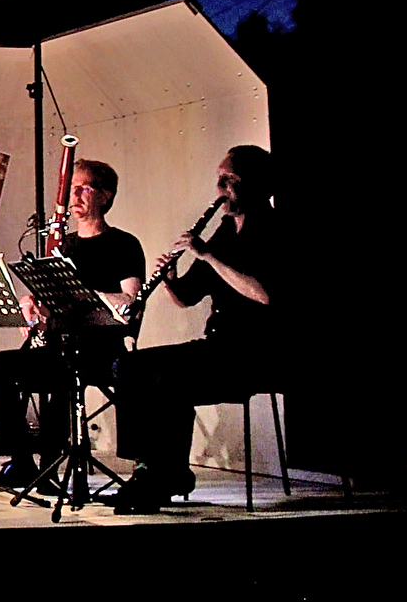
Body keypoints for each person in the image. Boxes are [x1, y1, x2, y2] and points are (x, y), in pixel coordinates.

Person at [112, 145, 282, 514]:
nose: (219, 188)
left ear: (254, 184)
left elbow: (265, 294)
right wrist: (170, 279)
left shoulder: (274, 229)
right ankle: (147, 467)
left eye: (229, 181)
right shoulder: (222, 230)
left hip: (259, 351)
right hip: (218, 345)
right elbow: (188, 297)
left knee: (170, 380)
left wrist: (206, 255)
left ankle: (166, 474)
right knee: (128, 366)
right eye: (218, 179)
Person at [0, 159, 144, 491]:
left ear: (105, 196)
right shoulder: (63, 245)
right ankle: (23, 463)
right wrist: (31, 305)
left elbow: (132, 300)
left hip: (100, 349)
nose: (75, 195)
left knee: (64, 377)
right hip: (57, 345)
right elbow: (45, 298)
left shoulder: (123, 244)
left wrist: (89, 296)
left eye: (85, 188)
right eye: (73, 188)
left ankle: (49, 465)